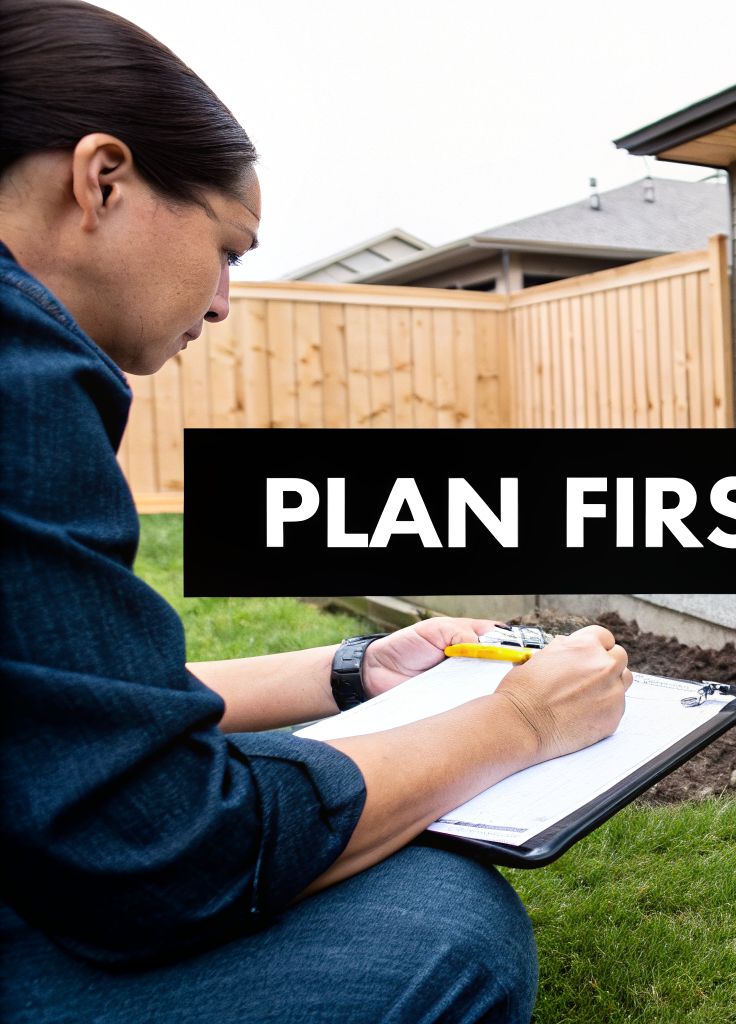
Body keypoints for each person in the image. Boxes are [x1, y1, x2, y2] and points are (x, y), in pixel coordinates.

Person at [0, 3, 632, 1020]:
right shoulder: (17, 381)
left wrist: (348, 670)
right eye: (229, 248)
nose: (221, 303)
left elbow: (52, 704)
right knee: (442, 929)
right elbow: (162, 855)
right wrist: (519, 722)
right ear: (102, 178)